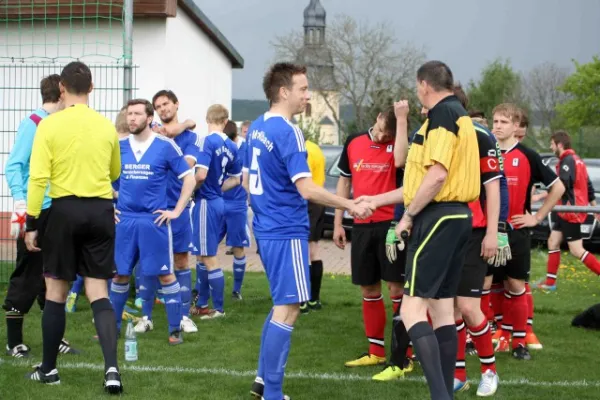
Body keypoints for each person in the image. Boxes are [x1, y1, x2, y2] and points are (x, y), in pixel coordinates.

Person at [246, 62, 371, 400]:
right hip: (285, 230)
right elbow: (307, 189)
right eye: (302, 89)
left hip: (268, 228)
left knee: (280, 306)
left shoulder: (256, 127)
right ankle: (272, 392)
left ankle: (262, 380)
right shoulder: (288, 130)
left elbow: (247, 181)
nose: (307, 96)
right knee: (289, 308)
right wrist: (350, 205)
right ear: (283, 92)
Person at [23, 61, 122, 393]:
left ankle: (49, 370)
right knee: (99, 291)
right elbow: (113, 172)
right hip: (100, 210)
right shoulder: (107, 126)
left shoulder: (48, 126)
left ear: (62, 89)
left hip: (64, 211)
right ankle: (112, 370)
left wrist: (32, 223)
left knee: (55, 291)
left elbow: (38, 179)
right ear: (92, 88)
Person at [398, 60, 481, 400]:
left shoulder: (444, 114)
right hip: (458, 217)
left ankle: (440, 396)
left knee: (410, 309)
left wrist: (407, 216)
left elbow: (436, 175)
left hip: (439, 217)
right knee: (442, 311)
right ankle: (445, 391)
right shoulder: (457, 113)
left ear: (424, 86)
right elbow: (416, 174)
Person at [3, 74, 80, 359]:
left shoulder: (60, 125)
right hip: (36, 211)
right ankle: (14, 342)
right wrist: (22, 205)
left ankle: (54, 337)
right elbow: (14, 166)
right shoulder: (33, 124)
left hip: (59, 210)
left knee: (55, 275)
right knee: (28, 274)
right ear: (62, 92)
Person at [110, 98, 195, 346]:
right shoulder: (119, 147)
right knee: (120, 276)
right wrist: (108, 207)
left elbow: (189, 178)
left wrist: (176, 210)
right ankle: (111, 328)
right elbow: (101, 177)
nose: (132, 118)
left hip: (154, 221)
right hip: (125, 220)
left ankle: (174, 329)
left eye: (137, 114)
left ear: (149, 118)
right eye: (129, 114)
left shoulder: (165, 146)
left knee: (166, 275)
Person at [333, 105, 409, 372]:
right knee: (368, 288)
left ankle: (405, 354)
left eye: (386, 136)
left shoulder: (399, 144)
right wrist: (338, 222)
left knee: (397, 290)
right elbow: (344, 182)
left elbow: (401, 162)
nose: (380, 138)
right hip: (362, 226)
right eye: (379, 131)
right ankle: (375, 351)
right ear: (376, 118)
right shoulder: (353, 141)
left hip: (392, 226)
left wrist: (400, 123)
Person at [490, 103, 564, 361]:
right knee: (489, 285)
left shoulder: (528, 155)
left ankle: (519, 342)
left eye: (503, 122)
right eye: (495, 121)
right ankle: (495, 334)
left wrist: (537, 217)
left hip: (516, 231)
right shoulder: (482, 152)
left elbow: (558, 188)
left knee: (515, 284)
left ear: (515, 126)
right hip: (487, 232)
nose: (497, 126)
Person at [451, 85, 504, 396]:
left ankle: (489, 371)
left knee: (470, 308)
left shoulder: (481, 135)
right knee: (451, 309)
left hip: (474, 232)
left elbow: (495, 189)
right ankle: (459, 374)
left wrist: (492, 232)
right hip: (444, 233)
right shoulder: (432, 134)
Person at [133, 89, 199, 334]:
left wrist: (176, 131)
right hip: (154, 211)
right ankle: (146, 317)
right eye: (158, 106)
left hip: (179, 210)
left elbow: (188, 167)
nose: (162, 109)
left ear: (176, 104)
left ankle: (183, 316)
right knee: (150, 262)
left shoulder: (191, 138)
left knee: (182, 261)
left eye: (166, 104)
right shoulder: (151, 137)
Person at [190, 104, 242, 320]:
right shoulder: (232, 145)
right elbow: (236, 178)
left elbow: (200, 175)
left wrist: (189, 191)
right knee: (203, 255)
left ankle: (218, 309)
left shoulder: (206, 141)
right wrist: (218, 189)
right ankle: (202, 304)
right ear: (225, 120)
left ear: (207, 119)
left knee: (209, 257)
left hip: (205, 202)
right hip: (218, 201)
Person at [538, 131, 600, 290]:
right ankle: (550, 284)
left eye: (552, 144)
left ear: (559, 144)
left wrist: (540, 197)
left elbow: (563, 185)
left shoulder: (567, 160)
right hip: (564, 210)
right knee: (553, 242)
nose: (551, 147)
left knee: (576, 250)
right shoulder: (578, 160)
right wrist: (594, 208)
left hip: (570, 210)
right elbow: (588, 186)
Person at [222, 120, 250, 300]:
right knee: (205, 247)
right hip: (218, 201)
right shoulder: (216, 146)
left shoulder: (245, 149)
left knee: (238, 246)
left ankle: (236, 290)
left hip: (238, 203)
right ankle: (200, 289)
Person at [300, 137, 326, 313]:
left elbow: (302, 179)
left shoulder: (302, 150)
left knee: (302, 250)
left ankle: (303, 299)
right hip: (319, 200)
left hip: (305, 201)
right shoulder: (315, 148)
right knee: (314, 249)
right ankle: (314, 299)